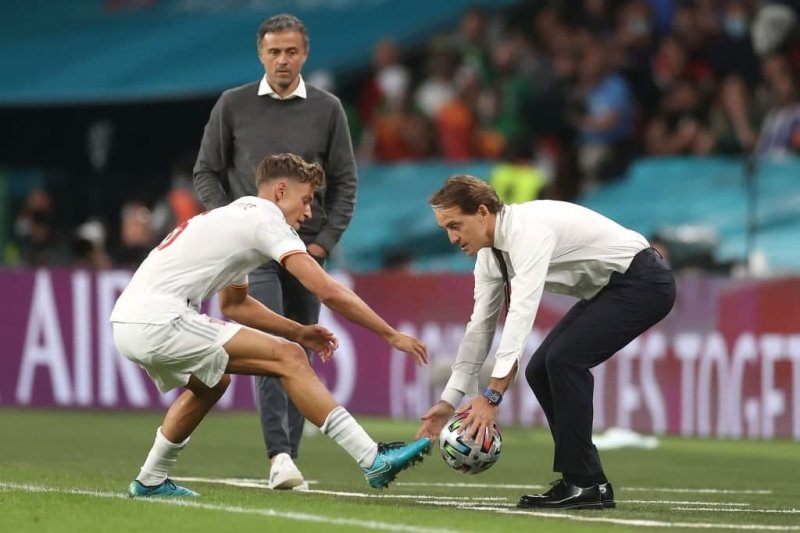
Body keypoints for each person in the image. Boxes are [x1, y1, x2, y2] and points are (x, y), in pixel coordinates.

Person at [113, 154, 430, 498]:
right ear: (280, 191)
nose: (308, 212)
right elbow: (327, 289)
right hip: (161, 319)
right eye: (305, 200)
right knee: (289, 357)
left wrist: (298, 331)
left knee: (213, 382)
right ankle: (372, 458)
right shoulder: (266, 220)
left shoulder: (235, 217)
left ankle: (150, 479)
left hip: (129, 321)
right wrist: (390, 334)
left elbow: (235, 305)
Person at [415, 175, 675, 510]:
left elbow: (521, 314)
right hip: (613, 288)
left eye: (455, 225)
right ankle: (590, 481)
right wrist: (449, 402)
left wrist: (492, 395)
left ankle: (583, 483)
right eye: (446, 229)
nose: (452, 238)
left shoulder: (527, 232)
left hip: (645, 283)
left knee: (564, 361)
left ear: (482, 212)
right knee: (540, 370)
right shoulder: (489, 256)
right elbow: (479, 329)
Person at [193, 14, 358, 490]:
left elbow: (345, 182)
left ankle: (291, 459)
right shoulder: (233, 104)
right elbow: (206, 172)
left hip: (305, 249)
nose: (282, 60)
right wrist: (234, 223)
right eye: (274, 52)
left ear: (304, 54)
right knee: (272, 348)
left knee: (300, 349)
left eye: (291, 51)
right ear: (260, 54)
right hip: (251, 253)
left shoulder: (328, 108)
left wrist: (324, 242)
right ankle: (279, 455)